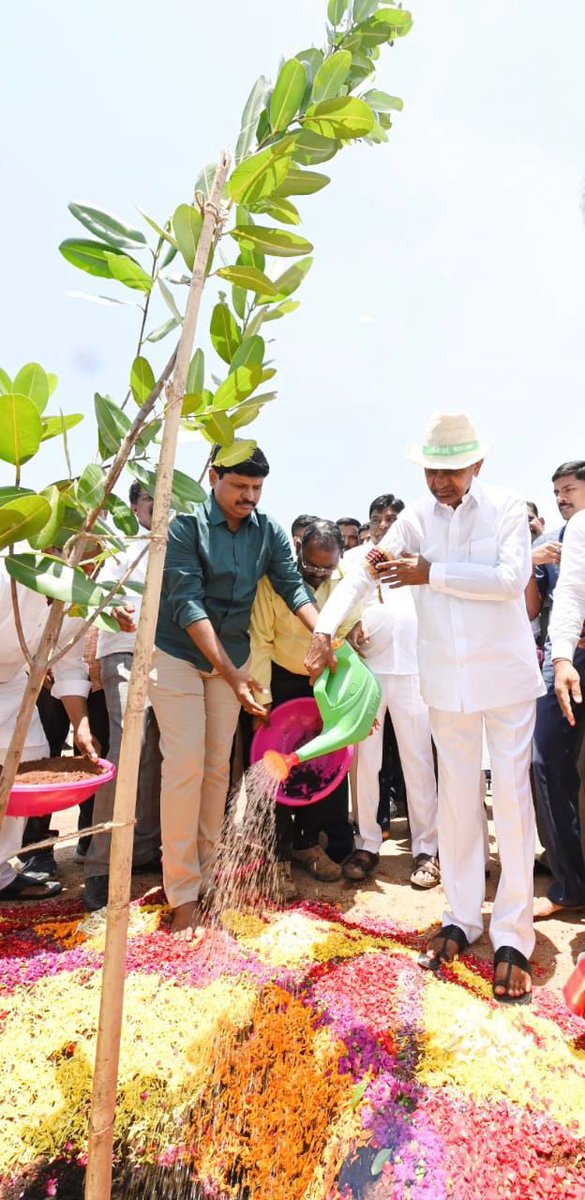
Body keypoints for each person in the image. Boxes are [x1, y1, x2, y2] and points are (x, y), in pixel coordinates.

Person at [306, 412, 545, 1004]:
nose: (440, 483)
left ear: (478, 466)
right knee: (458, 800)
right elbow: (367, 567)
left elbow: (510, 579)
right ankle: (462, 918)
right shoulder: (414, 516)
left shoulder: (509, 507)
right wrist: (328, 628)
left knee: (510, 801)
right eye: (432, 471)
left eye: (452, 471)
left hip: (505, 677)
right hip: (446, 681)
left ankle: (514, 932)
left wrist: (430, 573)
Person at [148, 447, 319, 938]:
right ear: (214, 476)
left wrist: (322, 633)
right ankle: (182, 894)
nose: (250, 497)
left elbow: (293, 586)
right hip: (179, 656)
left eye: (257, 489)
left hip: (233, 659)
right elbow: (185, 604)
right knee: (183, 767)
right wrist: (232, 674)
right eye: (240, 486)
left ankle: (206, 877)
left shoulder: (267, 531)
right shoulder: (185, 527)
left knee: (215, 770)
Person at [250, 519, 360, 899]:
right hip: (280, 680)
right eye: (310, 567)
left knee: (318, 764)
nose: (316, 575)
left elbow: (344, 634)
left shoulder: (345, 582)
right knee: (275, 767)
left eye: (325, 569)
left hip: (320, 686)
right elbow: (261, 640)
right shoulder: (273, 582)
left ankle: (308, 843)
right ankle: (277, 856)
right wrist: (262, 698)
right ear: (299, 551)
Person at [341, 496, 439, 890]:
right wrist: (349, 627)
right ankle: (366, 843)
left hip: (416, 673)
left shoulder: (419, 559)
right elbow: (342, 602)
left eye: (393, 518)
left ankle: (427, 851)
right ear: (370, 524)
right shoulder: (355, 560)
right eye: (378, 518)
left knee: (418, 762)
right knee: (366, 763)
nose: (385, 524)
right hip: (369, 674)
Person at [84, 484, 162, 912]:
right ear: (134, 507)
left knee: (155, 750)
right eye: (151, 499)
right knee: (127, 748)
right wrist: (116, 609)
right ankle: (99, 866)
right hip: (124, 654)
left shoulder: (177, 544)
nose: (159, 506)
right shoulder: (118, 548)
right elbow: (95, 598)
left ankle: (144, 850)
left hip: (169, 656)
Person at [0, 562, 97, 902]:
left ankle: (1, 874)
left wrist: (82, 726)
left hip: (13, 684)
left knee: (27, 765)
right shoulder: (6, 572)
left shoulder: (77, 599)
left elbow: (69, 666)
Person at [527, 463, 585, 920]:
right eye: (557, 491)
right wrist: (527, 560)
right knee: (545, 760)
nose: (561, 497)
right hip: (564, 659)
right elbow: (553, 599)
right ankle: (569, 883)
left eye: (569, 488)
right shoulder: (557, 541)